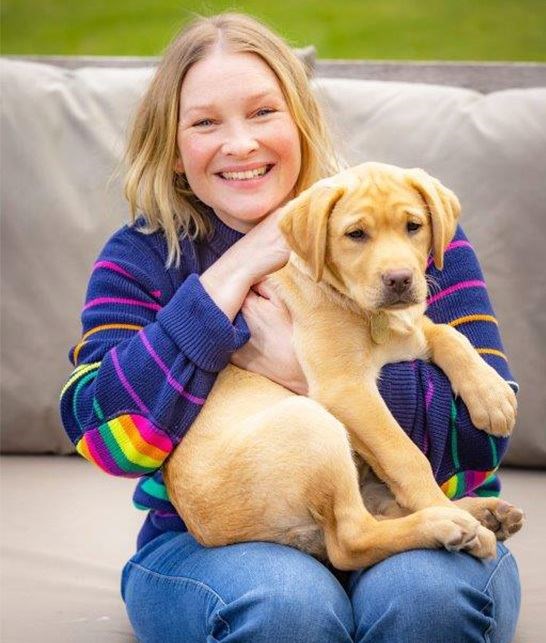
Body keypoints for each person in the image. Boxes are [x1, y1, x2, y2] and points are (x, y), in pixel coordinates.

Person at [59, 12, 521, 643]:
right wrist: (228, 281)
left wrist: (305, 374)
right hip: (217, 540)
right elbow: (103, 437)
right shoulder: (142, 258)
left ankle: (372, 526)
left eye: (263, 112)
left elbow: (485, 436)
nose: (241, 143)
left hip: (417, 510)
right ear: (172, 148)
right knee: (285, 608)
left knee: (426, 601)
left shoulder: (411, 225)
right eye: (204, 122)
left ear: (301, 120)